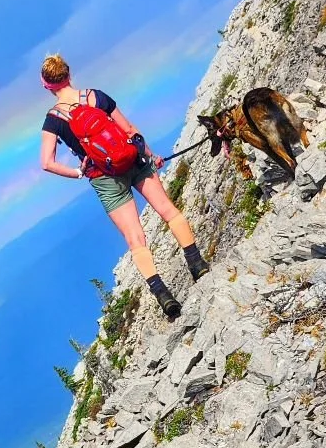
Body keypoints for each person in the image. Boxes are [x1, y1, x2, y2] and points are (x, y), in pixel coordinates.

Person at [38, 54, 209, 321]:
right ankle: (197, 264)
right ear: (69, 75)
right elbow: (129, 129)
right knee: (168, 211)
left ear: (46, 85)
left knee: (135, 238)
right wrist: (150, 155)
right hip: (134, 160)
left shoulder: (53, 120)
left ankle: (163, 295)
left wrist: (77, 172)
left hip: (104, 178)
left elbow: (47, 163)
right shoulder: (95, 97)